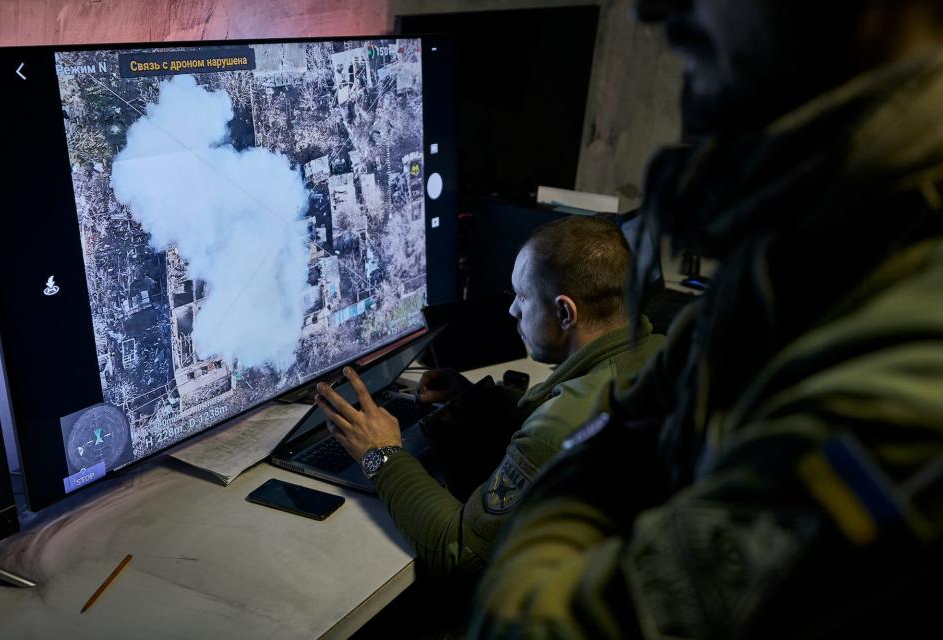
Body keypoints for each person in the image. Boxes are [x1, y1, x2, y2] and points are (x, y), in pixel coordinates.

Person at [470, 1, 943, 638]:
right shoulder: (824, 241)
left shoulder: (903, 388)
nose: (652, 9)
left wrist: (585, 459)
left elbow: (525, 624)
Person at [315, 215, 665, 583]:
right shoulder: (663, 353)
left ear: (565, 313)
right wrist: (481, 401)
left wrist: (381, 454)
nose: (513, 310)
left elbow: (460, 550)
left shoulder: (558, 427)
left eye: (523, 296)